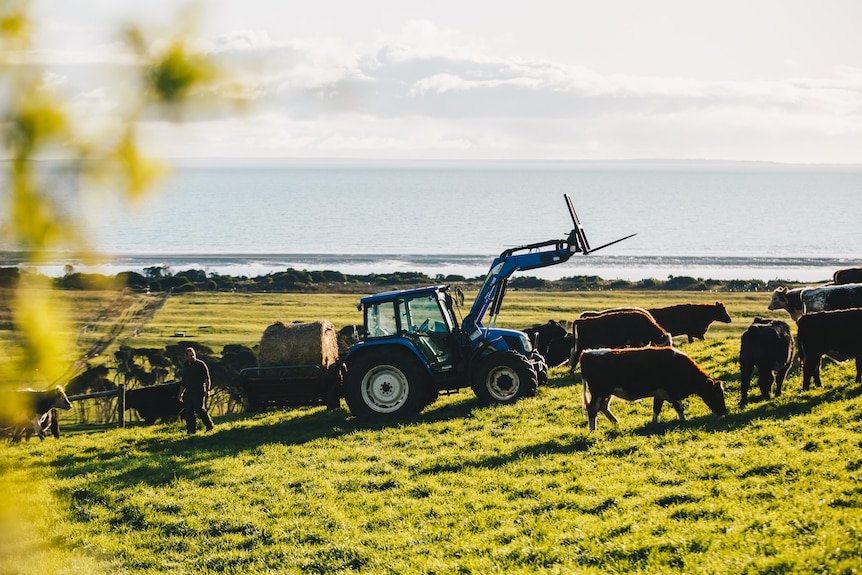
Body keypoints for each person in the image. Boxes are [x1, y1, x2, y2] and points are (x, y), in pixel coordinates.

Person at [178, 346, 215, 434]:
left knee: (199, 409)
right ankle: (191, 430)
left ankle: (209, 426)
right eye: (190, 356)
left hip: (199, 390)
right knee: (188, 411)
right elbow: (184, 381)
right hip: (189, 391)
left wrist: (208, 390)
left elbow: (207, 379)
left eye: (193, 355)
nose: (192, 357)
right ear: (186, 357)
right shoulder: (185, 366)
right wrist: (180, 394)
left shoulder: (200, 364)